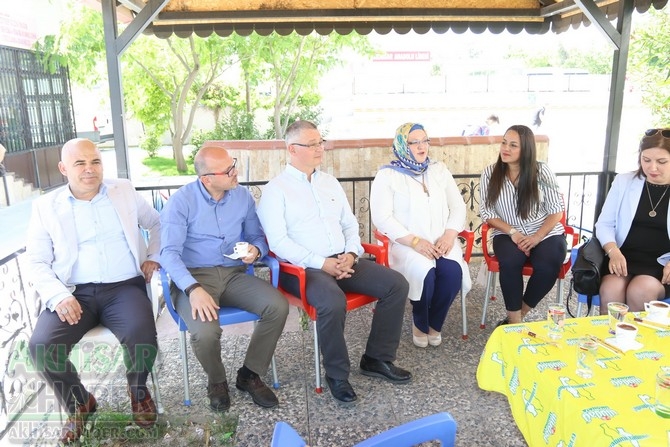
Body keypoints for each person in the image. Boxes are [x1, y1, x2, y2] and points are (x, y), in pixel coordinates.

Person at [257, 120, 412, 405]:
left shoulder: (329, 182)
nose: (320, 148)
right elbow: (278, 243)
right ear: (292, 149)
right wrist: (321, 262)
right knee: (331, 302)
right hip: (304, 269)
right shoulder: (275, 191)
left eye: (321, 142)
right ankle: (337, 375)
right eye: (312, 144)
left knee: (396, 284)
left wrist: (351, 254)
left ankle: (377, 359)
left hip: (342, 258)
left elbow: (350, 225)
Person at [26, 138, 160, 444]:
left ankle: (138, 391)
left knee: (142, 332)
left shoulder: (122, 190)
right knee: (42, 348)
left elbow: (156, 223)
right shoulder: (46, 207)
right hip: (73, 293)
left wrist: (153, 255)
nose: (90, 169)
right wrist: (58, 295)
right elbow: (36, 260)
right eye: (80, 163)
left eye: (95, 162)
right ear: (63, 169)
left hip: (123, 287)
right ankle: (79, 403)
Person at [160, 144, 288, 412]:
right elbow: (169, 255)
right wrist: (193, 289)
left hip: (233, 274)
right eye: (228, 169)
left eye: (234, 164)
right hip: (194, 277)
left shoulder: (242, 196)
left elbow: (256, 236)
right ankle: (216, 382)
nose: (235, 172)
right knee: (206, 332)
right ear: (207, 179)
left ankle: (249, 374)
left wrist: (256, 250)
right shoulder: (181, 202)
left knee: (277, 306)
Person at [370, 123, 472, 348]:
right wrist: (414, 242)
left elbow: (458, 207)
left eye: (424, 140)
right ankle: (420, 321)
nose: (421, 146)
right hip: (407, 244)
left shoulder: (438, 170)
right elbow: (382, 217)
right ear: (402, 145)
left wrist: (449, 235)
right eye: (414, 142)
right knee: (426, 274)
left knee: (452, 272)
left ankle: (435, 324)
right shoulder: (387, 176)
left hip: (442, 241)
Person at [479, 125, 566, 325]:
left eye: (513, 145)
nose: (505, 149)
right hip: (506, 232)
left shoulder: (541, 171)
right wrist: (513, 232)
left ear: (525, 149)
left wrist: (536, 238)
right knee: (510, 262)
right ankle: (515, 323)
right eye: (503, 143)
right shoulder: (490, 173)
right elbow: (487, 212)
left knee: (549, 263)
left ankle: (519, 316)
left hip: (545, 232)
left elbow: (556, 211)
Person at [595, 128, 670, 313]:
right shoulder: (624, 181)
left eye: (661, 162)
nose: (652, 168)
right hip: (622, 257)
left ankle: (638, 342)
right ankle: (609, 339)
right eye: (646, 160)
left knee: (640, 291)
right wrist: (613, 251)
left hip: (662, 264)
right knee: (611, 290)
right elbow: (604, 224)